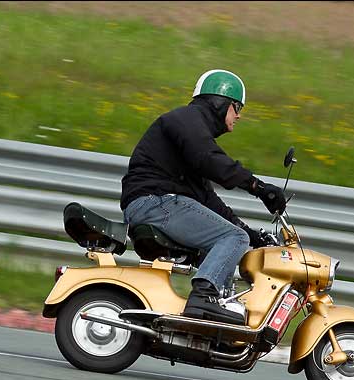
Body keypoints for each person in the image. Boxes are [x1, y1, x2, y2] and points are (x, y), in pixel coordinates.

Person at [120, 69, 287, 325]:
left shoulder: (191, 131)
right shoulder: (186, 119)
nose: (239, 116)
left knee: (234, 236)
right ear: (219, 102)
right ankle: (203, 298)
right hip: (155, 202)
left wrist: (251, 233)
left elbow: (207, 199)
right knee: (233, 238)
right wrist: (258, 187)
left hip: (159, 202)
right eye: (237, 107)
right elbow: (211, 160)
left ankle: (215, 305)